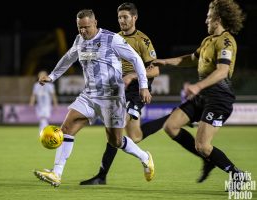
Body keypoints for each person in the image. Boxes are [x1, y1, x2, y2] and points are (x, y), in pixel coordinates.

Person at [33, 9, 154, 188]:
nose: (83, 31)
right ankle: (56, 173)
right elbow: (68, 58)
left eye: (87, 27)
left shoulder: (112, 39)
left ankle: (145, 157)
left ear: (95, 23)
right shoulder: (79, 40)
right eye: (80, 27)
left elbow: (136, 59)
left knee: (116, 141)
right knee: (66, 128)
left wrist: (143, 86)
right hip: (88, 95)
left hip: (112, 98)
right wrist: (52, 76)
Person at [152, 0, 246, 184]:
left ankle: (237, 175)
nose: (206, 21)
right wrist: (165, 61)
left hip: (219, 99)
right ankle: (207, 158)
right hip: (203, 96)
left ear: (217, 19)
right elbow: (190, 59)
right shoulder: (207, 41)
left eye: (209, 17)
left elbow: (222, 71)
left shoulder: (226, 41)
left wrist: (197, 86)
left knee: (202, 145)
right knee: (171, 126)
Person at [80, 2, 167, 185]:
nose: (122, 21)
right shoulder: (113, 38)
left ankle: (102, 176)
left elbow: (156, 70)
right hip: (117, 89)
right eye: (120, 17)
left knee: (117, 131)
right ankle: (169, 120)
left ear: (134, 18)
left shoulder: (143, 40)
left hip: (135, 91)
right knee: (133, 136)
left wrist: (133, 76)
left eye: (126, 17)